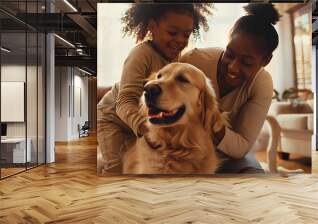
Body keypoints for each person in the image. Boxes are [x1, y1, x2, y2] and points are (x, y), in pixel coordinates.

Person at [97, 3, 213, 173]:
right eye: (172, 33)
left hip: (140, 122)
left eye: (186, 34)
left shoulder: (175, 58)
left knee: (138, 165)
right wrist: (146, 128)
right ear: (152, 26)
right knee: (117, 168)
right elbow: (124, 100)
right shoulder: (141, 54)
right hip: (112, 118)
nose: (180, 40)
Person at [179, 3, 279, 173]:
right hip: (179, 151)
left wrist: (207, 120)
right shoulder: (194, 62)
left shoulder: (262, 84)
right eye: (230, 54)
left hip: (222, 156)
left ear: (266, 61)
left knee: (253, 174)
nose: (232, 67)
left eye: (247, 62)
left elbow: (241, 147)